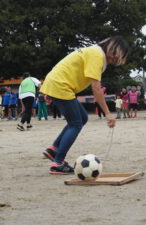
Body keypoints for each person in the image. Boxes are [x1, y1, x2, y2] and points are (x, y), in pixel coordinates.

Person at [40, 36, 128, 174]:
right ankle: (58, 162)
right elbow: (96, 88)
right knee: (75, 124)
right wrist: (108, 113)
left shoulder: (93, 52)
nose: (114, 59)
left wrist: (50, 88)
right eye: (116, 55)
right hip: (62, 85)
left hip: (57, 83)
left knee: (82, 118)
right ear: (112, 50)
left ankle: (54, 149)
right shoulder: (97, 55)